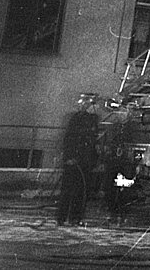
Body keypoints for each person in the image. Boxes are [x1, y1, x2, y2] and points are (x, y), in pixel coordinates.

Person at [56, 93, 99, 226]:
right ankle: (64, 217)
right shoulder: (76, 119)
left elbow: (90, 142)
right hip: (75, 161)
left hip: (83, 162)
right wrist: (70, 157)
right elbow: (69, 139)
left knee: (79, 191)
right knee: (69, 190)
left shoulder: (91, 120)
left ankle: (73, 218)